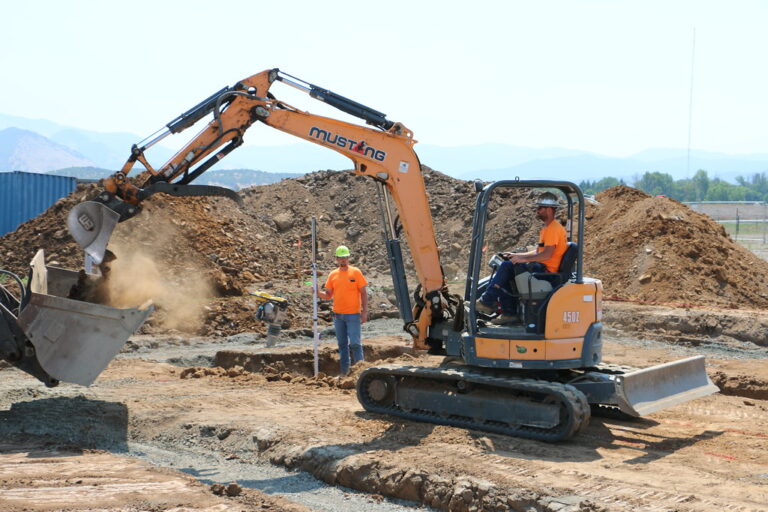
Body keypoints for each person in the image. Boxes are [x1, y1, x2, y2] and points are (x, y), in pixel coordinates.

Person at [476, 193, 568, 324]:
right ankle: (509, 313)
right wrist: (516, 256)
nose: (537, 211)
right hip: (542, 267)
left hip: (547, 273)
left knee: (507, 267)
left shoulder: (553, 229)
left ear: (548, 209)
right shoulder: (547, 229)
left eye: (540, 208)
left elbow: (546, 255)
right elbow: (538, 251)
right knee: (508, 267)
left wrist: (521, 260)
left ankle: (487, 301)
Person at [317, 245, 369, 376]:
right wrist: (317, 292)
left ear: (348, 258)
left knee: (355, 344)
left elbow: (363, 293)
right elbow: (328, 295)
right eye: (340, 258)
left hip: (353, 315)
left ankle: (360, 373)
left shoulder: (356, 272)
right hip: (338, 316)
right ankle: (345, 373)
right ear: (336, 259)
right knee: (342, 345)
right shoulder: (333, 275)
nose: (343, 260)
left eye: (345, 257)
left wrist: (364, 312)